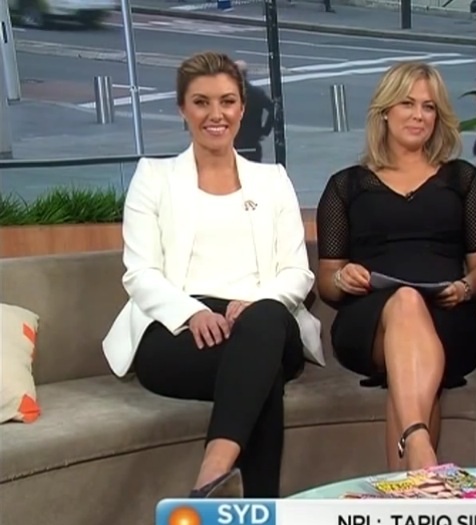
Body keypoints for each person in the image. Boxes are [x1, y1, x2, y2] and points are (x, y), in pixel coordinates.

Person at [101, 51, 325, 499]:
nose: (215, 114)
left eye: (227, 101)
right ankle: (259, 516)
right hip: (178, 330)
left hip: (263, 320)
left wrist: (256, 305)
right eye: (201, 102)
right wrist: (192, 313)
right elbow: (140, 272)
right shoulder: (154, 177)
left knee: (263, 326)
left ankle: (213, 472)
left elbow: (296, 272)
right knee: (260, 377)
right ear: (182, 109)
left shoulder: (272, 179)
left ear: (242, 108)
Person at [315, 62, 476, 472]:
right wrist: (343, 277)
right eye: (407, 104)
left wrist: (466, 287)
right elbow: (326, 282)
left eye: (428, 107)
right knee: (405, 301)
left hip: (448, 317)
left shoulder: (462, 179)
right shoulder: (347, 186)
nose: (418, 116)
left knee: (412, 314)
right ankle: (422, 450)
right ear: (384, 112)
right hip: (369, 323)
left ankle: (415, 457)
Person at [232, 60, 274, 163]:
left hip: (233, 140)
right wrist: (265, 130)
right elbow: (273, 109)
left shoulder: (228, 94)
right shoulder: (257, 93)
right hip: (252, 140)